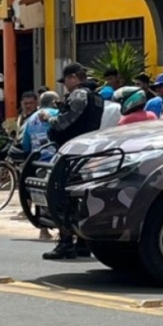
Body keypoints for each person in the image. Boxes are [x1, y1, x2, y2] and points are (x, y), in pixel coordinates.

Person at [38, 62, 104, 260]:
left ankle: (66, 242)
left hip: (72, 153)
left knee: (63, 197)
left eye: (66, 80)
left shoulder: (79, 95)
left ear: (74, 77)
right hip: (88, 152)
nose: (65, 85)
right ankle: (83, 243)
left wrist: (47, 118)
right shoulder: (97, 97)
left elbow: (64, 122)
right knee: (81, 198)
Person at [20, 90, 60, 240]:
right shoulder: (56, 114)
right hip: (56, 162)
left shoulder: (30, 120)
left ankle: (44, 231)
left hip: (38, 163)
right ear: (54, 102)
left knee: (40, 196)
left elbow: (25, 144)